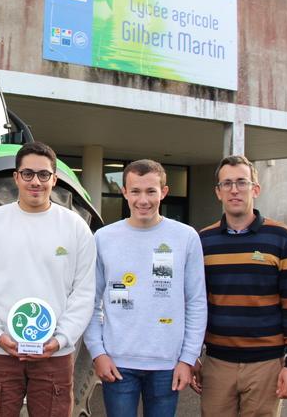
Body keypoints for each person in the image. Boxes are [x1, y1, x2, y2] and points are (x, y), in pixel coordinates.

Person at [0, 141, 96, 417]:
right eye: (28, 174)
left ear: (55, 179)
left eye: (44, 174)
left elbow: (83, 293)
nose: (36, 181)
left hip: (54, 355)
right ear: (16, 177)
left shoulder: (76, 228)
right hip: (0, 352)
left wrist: (60, 340)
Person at [83, 159, 207, 417]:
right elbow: (90, 301)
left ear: (164, 192)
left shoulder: (185, 237)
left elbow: (195, 301)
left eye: (151, 191)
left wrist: (187, 358)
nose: (143, 200)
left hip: (167, 364)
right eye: (136, 191)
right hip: (117, 363)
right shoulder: (103, 238)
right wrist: (98, 353)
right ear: (124, 192)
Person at [191, 155, 287, 417]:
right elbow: (196, 303)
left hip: (266, 365)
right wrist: (191, 354)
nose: (234, 190)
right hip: (218, 363)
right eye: (227, 183)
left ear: (255, 188)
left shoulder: (280, 237)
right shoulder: (203, 241)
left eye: (241, 182)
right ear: (218, 192)